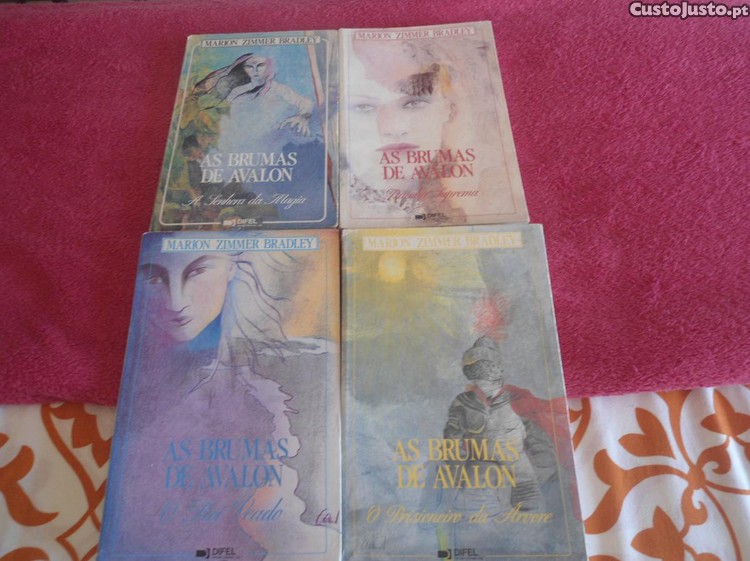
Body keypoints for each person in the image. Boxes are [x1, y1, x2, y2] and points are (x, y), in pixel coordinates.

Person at [116, 236, 337, 557]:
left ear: (232, 267)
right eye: (153, 277)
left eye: (197, 272)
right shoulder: (138, 380)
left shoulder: (302, 370)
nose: (176, 302)